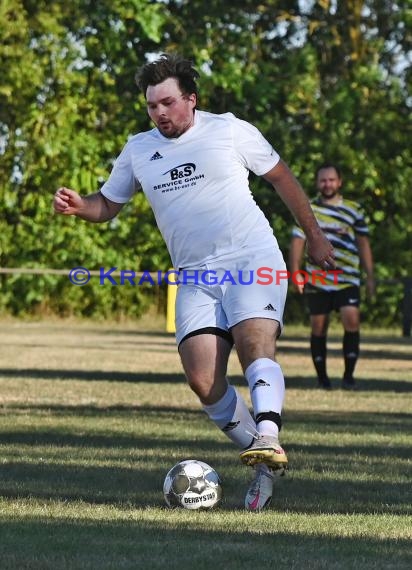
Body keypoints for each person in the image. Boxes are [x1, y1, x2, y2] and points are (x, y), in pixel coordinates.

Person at [53, 53, 334, 511]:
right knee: (203, 380)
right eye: (151, 106)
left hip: (252, 258)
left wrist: (316, 234)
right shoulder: (139, 149)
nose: (159, 113)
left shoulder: (228, 129)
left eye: (167, 102)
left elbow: (282, 178)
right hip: (195, 276)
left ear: (191, 99)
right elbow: (107, 204)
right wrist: (77, 205)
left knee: (254, 346)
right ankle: (264, 463)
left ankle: (267, 433)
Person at [289, 163, 375, 390]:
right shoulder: (308, 210)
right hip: (317, 278)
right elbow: (297, 242)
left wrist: (370, 275)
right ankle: (322, 379)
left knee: (352, 319)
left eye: (331, 180)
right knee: (318, 326)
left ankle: (348, 376)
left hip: (347, 277)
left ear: (339, 182)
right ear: (318, 183)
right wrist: (296, 273)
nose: (327, 184)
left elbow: (363, 243)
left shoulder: (354, 209)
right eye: (323, 180)